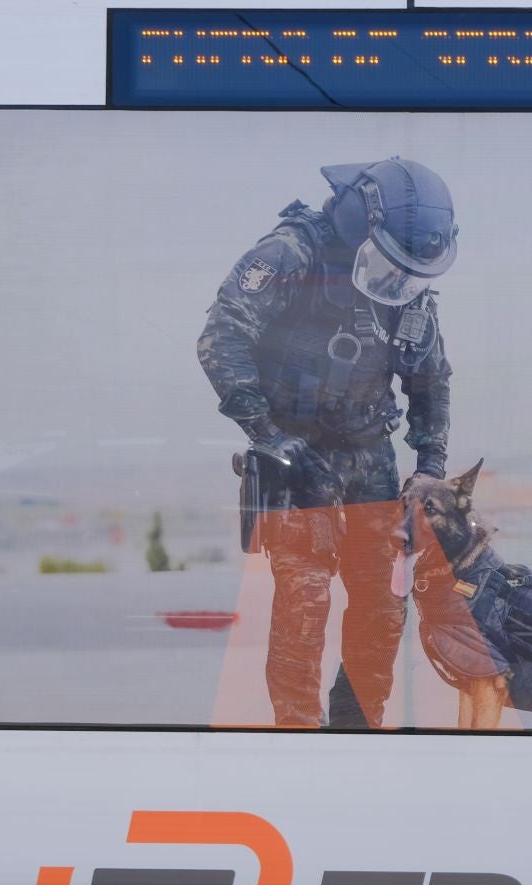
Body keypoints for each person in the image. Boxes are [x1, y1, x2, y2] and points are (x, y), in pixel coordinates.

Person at [199, 158, 456, 727]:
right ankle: (298, 734)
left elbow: (430, 378)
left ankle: (356, 727)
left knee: (383, 607)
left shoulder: (405, 282)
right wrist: (270, 437)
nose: (400, 280)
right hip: (294, 458)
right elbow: (221, 339)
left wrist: (430, 465)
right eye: (394, 265)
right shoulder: (290, 254)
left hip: (370, 457)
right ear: (365, 222)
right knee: (305, 603)